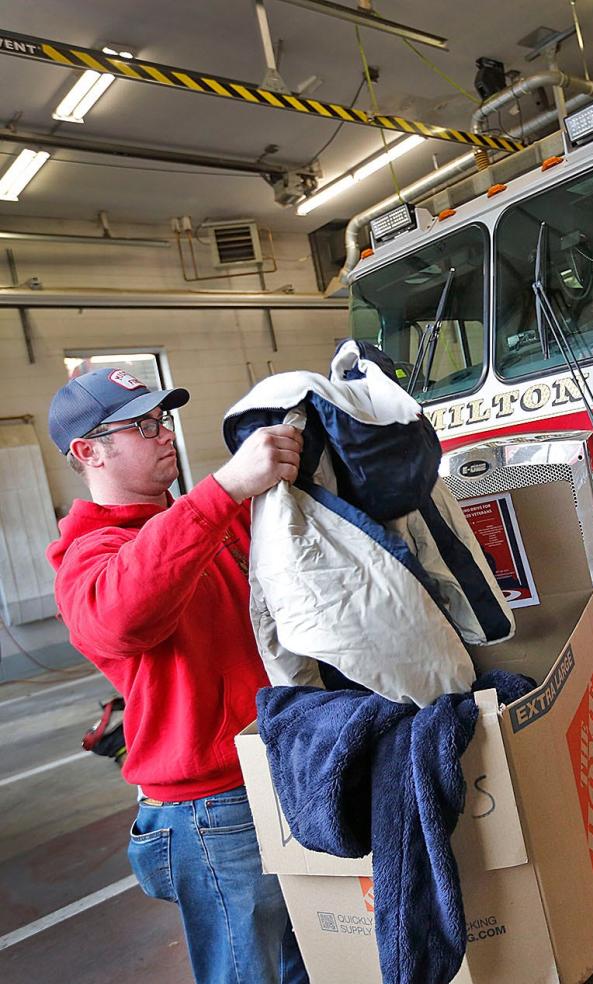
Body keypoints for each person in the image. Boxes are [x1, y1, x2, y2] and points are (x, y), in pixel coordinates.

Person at [45, 367, 308, 984]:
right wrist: (222, 490)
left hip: (280, 773)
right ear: (88, 451)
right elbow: (125, 615)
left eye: (162, 420)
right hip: (213, 811)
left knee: (309, 964)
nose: (164, 435)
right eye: (142, 425)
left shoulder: (206, 526)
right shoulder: (90, 558)